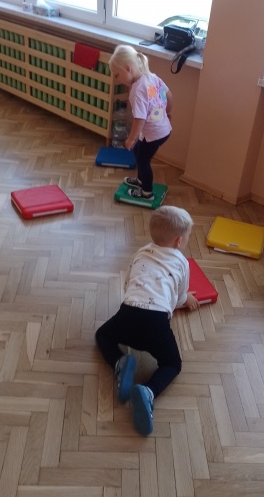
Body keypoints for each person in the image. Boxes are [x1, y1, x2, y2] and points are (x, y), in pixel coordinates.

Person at [95, 205, 199, 435]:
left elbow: (128, 284)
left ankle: (119, 362)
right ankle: (149, 391)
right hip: (155, 323)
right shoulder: (182, 262)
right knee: (172, 364)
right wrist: (186, 299)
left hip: (128, 312)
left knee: (102, 335)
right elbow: (178, 296)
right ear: (179, 241)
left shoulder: (141, 253)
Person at [109, 45, 173, 201]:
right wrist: (168, 112)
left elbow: (140, 119)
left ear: (128, 68)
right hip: (162, 130)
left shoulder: (137, 90)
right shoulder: (152, 77)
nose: (117, 79)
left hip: (155, 133)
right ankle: (140, 180)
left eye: (117, 75)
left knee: (143, 160)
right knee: (139, 152)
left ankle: (147, 193)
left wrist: (131, 139)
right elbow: (169, 95)